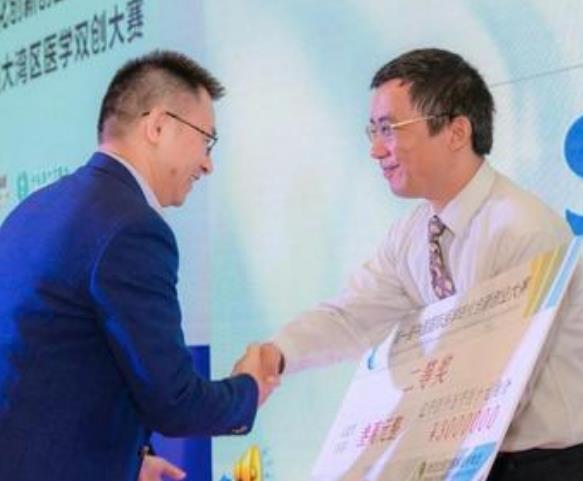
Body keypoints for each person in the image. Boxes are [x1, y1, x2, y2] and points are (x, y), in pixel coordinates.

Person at [255, 48, 583, 481]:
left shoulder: (521, 229)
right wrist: (276, 355)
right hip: (470, 458)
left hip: (543, 465)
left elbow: (500, 384)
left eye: (389, 129)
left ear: (456, 131)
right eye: (372, 131)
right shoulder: (413, 232)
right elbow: (353, 316)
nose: (376, 150)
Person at [0, 50, 275, 481]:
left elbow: (55, 371)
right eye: (206, 139)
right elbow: (176, 402)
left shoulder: (34, 209)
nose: (207, 163)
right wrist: (250, 388)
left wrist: (130, 461)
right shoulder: (132, 227)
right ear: (158, 125)